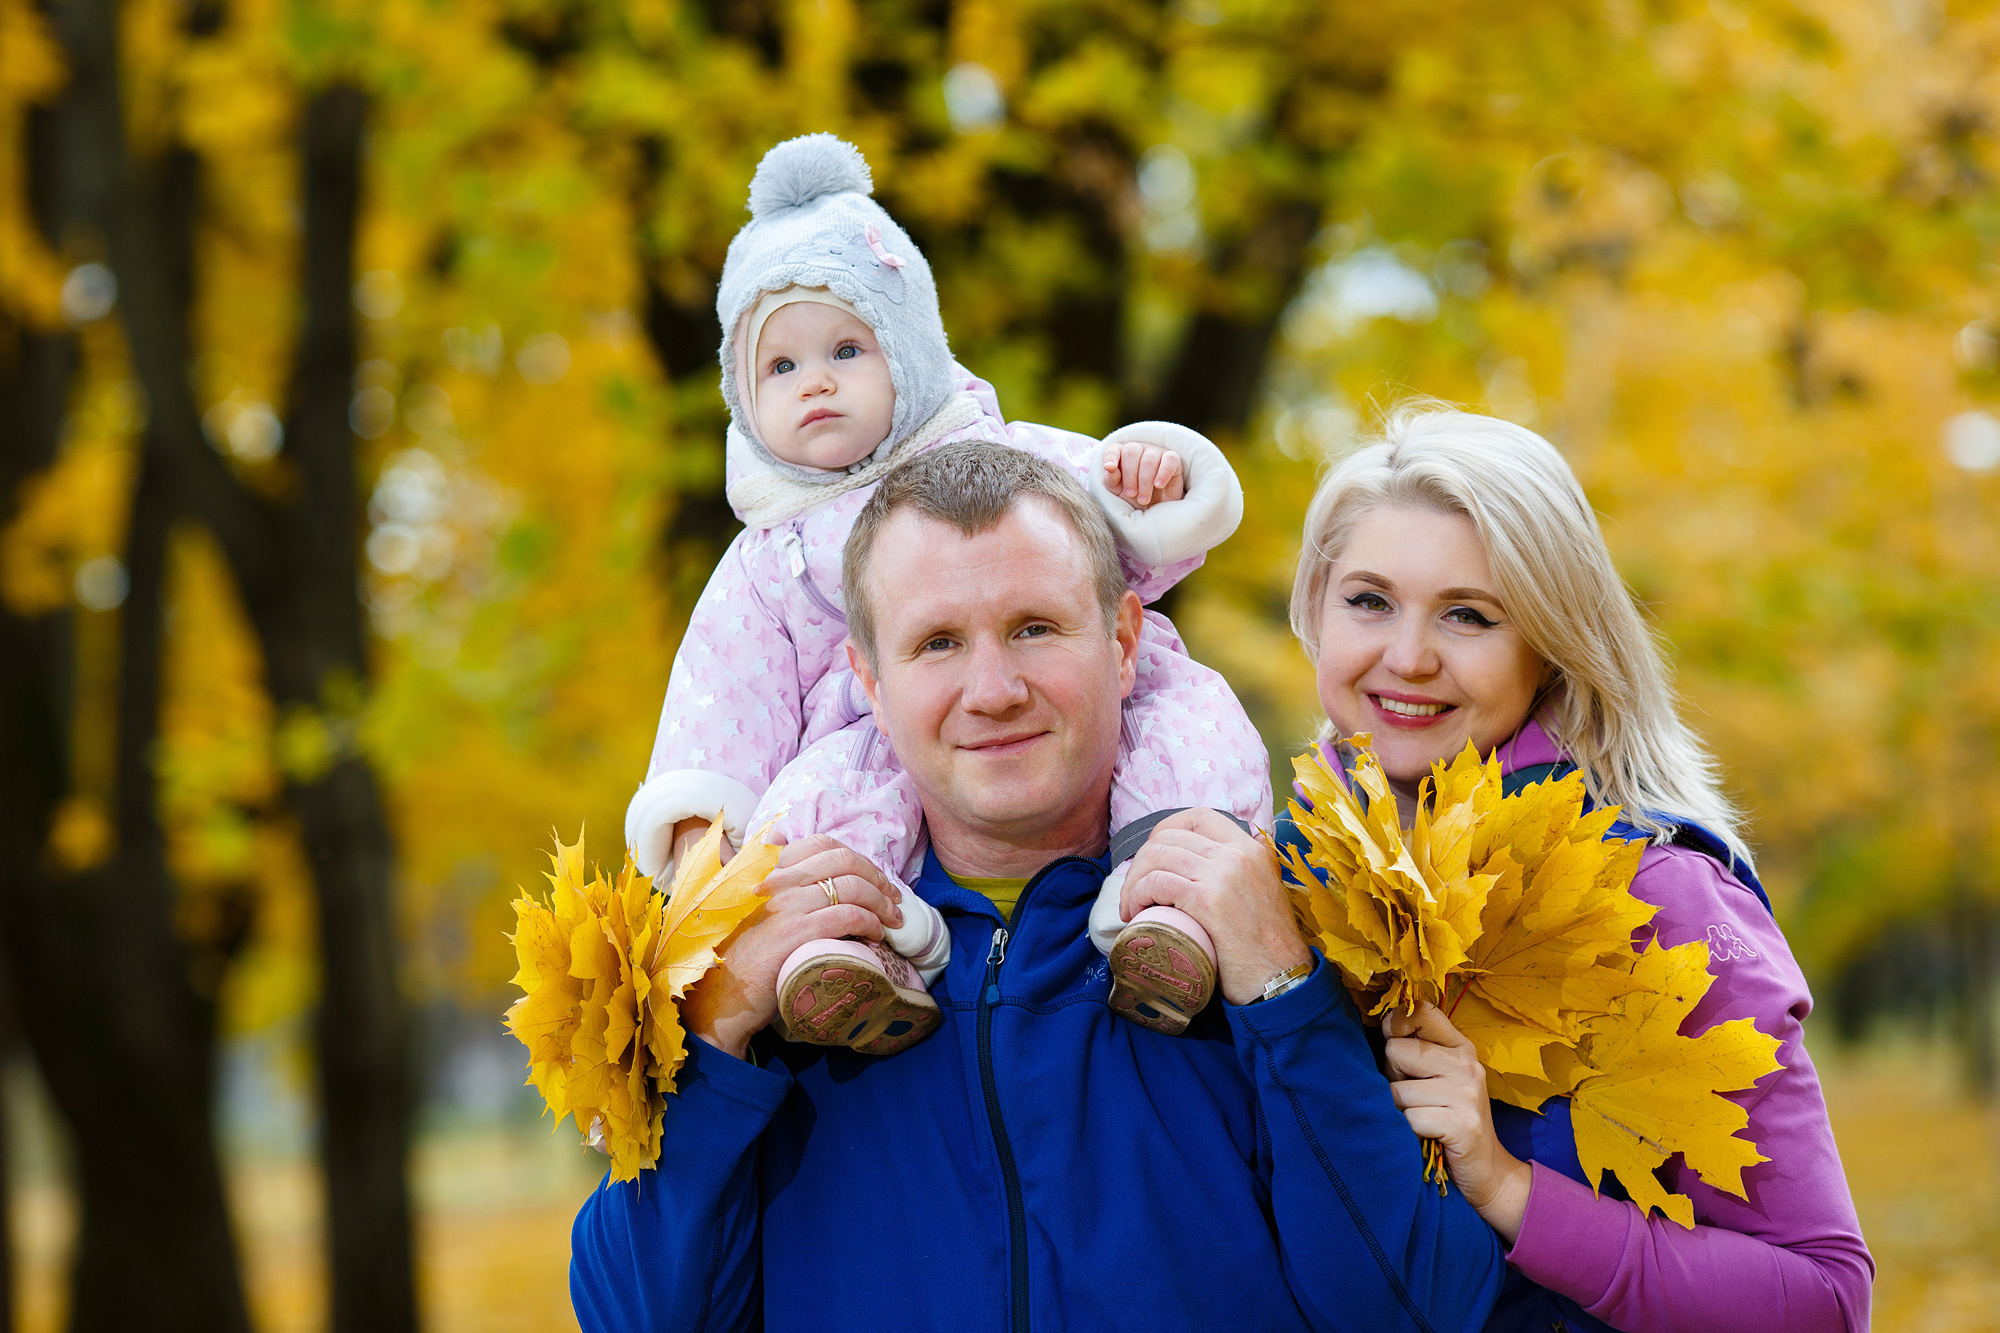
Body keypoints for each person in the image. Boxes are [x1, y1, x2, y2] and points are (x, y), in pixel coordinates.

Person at [570, 440, 1506, 1332]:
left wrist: (1284, 992)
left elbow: (1426, 1308)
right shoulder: (770, 973)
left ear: (1126, 638)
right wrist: (718, 1035)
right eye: (936, 642)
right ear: (866, 679)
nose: (993, 688)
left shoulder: (1303, 916)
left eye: (1034, 628)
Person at [624, 133, 1266, 1050]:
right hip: (875, 741)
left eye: (848, 348)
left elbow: (1120, 539)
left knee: (1184, 719)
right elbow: (720, 695)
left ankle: (1172, 901)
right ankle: (845, 956)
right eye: (780, 366)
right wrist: (699, 835)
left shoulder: (998, 456)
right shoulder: (766, 561)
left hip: (1062, 731)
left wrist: (1148, 483)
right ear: (741, 396)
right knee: (809, 816)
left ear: (910, 349)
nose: (816, 383)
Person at [1281, 405, 1873, 1333]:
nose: (1407, 656)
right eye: (1369, 600)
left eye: (1469, 614)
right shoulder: (1283, 876)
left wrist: (1512, 1190)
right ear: (1316, 611)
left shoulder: (1664, 893)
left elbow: (1825, 1300)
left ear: (1549, 645)